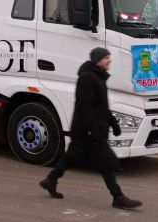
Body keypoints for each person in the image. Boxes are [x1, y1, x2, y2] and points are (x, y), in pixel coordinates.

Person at [40, 48, 142, 210]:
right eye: (106, 58)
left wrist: (114, 124)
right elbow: (84, 107)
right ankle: (118, 197)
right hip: (88, 130)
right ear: (97, 60)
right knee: (106, 162)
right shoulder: (88, 78)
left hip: (89, 129)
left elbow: (101, 106)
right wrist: (93, 131)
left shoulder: (98, 77)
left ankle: (50, 180)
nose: (109, 60)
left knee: (71, 157)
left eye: (109, 57)